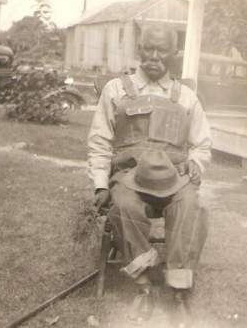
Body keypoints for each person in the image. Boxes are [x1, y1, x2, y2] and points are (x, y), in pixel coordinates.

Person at [87, 25, 212, 326]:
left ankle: (179, 290)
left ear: (174, 54)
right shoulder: (116, 90)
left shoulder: (185, 97)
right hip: (130, 177)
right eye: (148, 49)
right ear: (139, 49)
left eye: (162, 50)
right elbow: (100, 141)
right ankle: (144, 286)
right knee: (124, 207)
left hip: (174, 178)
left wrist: (196, 161)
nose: (154, 57)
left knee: (190, 206)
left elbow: (202, 143)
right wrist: (101, 185)